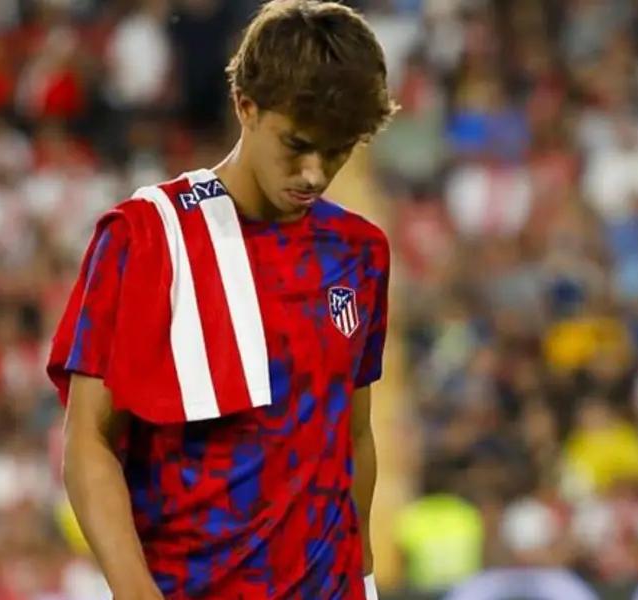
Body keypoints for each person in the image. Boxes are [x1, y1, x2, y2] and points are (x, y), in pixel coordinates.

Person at [46, 1, 397, 598]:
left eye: (337, 151)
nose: (314, 174)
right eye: (298, 144)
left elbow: (354, 433)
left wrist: (361, 574)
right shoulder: (149, 236)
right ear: (246, 107)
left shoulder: (359, 253)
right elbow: (89, 441)